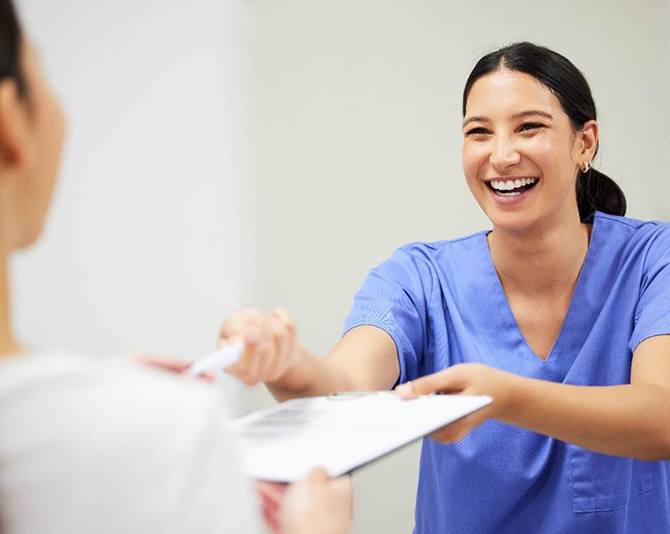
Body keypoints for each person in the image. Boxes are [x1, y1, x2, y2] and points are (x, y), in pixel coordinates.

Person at [221, 42, 670, 533]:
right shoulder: (418, 277)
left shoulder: (653, 261)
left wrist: (504, 397)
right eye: (479, 133)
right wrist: (286, 362)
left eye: (529, 127)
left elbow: (661, 416)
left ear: (584, 142)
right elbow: (345, 389)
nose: (501, 155)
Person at [0, 1, 352, 533]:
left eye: (528, 126)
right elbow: (361, 388)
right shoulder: (166, 434)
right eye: (41, 69)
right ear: (10, 125)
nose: (502, 154)